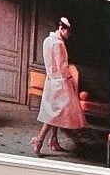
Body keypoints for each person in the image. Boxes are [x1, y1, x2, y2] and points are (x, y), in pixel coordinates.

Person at [29, 18, 85, 158]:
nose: (69, 35)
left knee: (55, 112)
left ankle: (53, 140)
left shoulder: (47, 40)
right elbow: (61, 67)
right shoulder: (59, 43)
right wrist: (70, 79)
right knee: (55, 113)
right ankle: (39, 141)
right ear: (61, 28)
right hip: (60, 82)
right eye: (68, 32)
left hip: (51, 81)